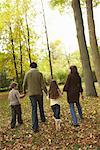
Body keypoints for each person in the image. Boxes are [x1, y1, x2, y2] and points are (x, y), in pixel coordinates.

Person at [23, 62, 47, 133]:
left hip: (31, 94)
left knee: (34, 109)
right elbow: (43, 85)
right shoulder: (39, 74)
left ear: (30, 67)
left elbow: (24, 84)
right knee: (41, 106)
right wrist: (47, 92)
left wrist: (24, 91)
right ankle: (43, 119)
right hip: (39, 93)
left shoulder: (27, 74)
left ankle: (35, 127)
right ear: (36, 66)